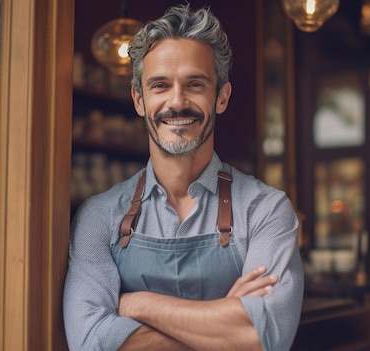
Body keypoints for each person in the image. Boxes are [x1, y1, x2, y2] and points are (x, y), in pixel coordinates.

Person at [63, 4, 304, 351]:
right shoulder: (99, 216)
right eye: (160, 85)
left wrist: (135, 304)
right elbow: (90, 342)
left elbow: (261, 340)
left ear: (221, 96)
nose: (177, 102)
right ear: (139, 99)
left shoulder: (265, 210)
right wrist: (223, 318)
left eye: (195, 83)